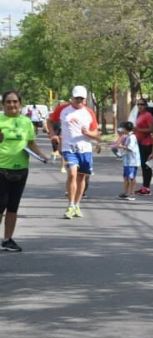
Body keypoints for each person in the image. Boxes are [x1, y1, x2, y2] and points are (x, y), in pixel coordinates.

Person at [0, 90, 49, 252]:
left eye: (15, 101)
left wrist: (42, 156)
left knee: (13, 207)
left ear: (20, 104)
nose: (12, 104)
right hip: (2, 168)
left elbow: (31, 143)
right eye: (8, 102)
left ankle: (7, 240)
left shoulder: (26, 122)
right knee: (1, 205)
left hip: (21, 170)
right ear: (3, 104)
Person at [60, 86, 100, 219]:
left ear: (85, 100)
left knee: (82, 177)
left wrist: (88, 133)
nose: (78, 101)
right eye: (76, 98)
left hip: (85, 149)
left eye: (81, 99)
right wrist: (53, 134)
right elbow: (50, 121)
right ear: (72, 98)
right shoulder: (63, 110)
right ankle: (70, 205)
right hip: (69, 148)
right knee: (72, 173)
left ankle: (77, 205)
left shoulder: (89, 112)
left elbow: (97, 134)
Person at [133, 99, 153, 195]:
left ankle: (147, 188)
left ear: (146, 105)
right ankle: (144, 187)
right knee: (143, 165)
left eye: (142, 104)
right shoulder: (139, 115)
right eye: (138, 104)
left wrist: (138, 129)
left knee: (146, 166)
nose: (140, 106)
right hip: (140, 143)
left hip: (147, 143)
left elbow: (151, 129)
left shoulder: (148, 115)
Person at [114, 122, 140, 200]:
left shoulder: (132, 137)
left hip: (132, 161)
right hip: (127, 161)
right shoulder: (128, 136)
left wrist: (121, 146)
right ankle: (126, 192)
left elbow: (130, 147)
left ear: (125, 129)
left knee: (131, 177)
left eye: (123, 128)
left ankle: (131, 193)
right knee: (126, 177)